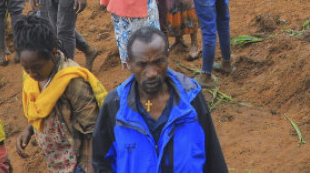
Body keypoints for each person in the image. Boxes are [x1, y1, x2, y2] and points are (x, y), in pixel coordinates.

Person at [93, 26, 228, 172]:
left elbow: (212, 154)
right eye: (142, 64)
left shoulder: (191, 99)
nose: (151, 73)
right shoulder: (115, 106)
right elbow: (101, 161)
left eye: (158, 62)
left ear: (167, 58)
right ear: (129, 63)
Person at [15, 15, 106, 173]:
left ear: (54, 53)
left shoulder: (72, 82)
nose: (31, 73)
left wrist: (91, 168)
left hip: (79, 162)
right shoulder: (31, 78)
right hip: (57, 162)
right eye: (26, 68)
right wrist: (28, 130)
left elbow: (93, 129)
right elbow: (38, 107)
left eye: (36, 67)